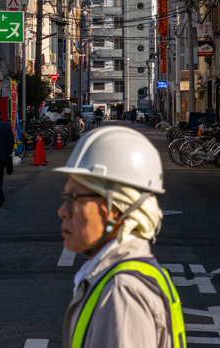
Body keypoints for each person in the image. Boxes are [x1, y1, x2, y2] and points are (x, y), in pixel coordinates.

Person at [55, 126, 185, 348]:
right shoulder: (118, 279)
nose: (62, 211)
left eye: (74, 198)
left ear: (118, 208)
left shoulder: (121, 293)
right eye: (65, 197)